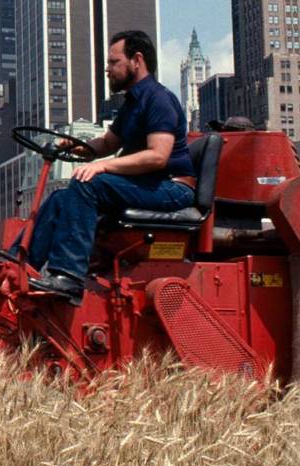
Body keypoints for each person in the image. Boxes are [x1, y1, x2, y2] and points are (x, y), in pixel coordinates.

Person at [15, 29, 196, 305]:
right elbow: (108, 143)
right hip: (149, 184)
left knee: (88, 184)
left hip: (172, 187)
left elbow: (158, 156)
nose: (107, 70)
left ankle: (68, 277)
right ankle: (19, 264)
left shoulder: (158, 99)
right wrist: (71, 146)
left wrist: (103, 168)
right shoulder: (132, 104)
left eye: (113, 62)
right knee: (61, 198)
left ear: (136, 60)